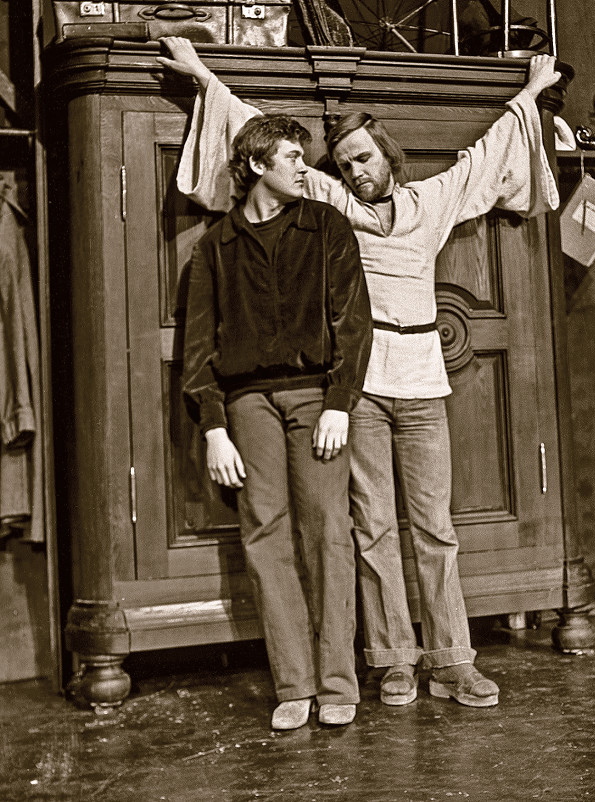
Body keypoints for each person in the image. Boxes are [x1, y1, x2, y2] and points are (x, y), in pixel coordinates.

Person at [159, 37, 562, 708]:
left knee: (435, 528)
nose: (355, 171)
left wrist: (529, 94)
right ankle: (393, 659)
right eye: (344, 163)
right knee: (371, 528)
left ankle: (453, 660)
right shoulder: (330, 206)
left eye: (364, 158)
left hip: (424, 382)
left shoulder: (432, 202)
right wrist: (203, 76)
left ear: (388, 156)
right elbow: (259, 145)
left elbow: (484, 159)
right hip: (362, 391)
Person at [182, 111, 372, 729]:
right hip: (247, 405)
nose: (305, 167)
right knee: (265, 535)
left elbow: (353, 323)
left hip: (316, 398)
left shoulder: (326, 225)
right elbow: (197, 348)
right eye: (292, 156)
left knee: (328, 533)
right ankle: (294, 684)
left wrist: (339, 402)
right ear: (257, 165)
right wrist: (214, 427)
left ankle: (338, 684)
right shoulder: (216, 246)